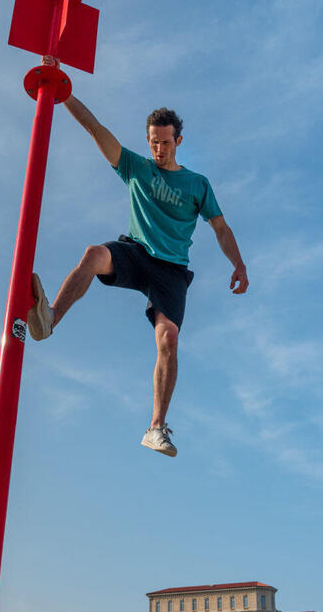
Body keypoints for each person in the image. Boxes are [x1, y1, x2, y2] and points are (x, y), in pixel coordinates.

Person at [28, 57, 249, 457]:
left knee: (169, 338)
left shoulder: (197, 184)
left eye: (165, 142)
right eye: (153, 141)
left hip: (172, 271)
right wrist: (64, 90)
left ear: (178, 141)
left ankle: (156, 428)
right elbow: (97, 129)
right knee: (95, 254)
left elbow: (220, 227)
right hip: (136, 252)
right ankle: (50, 319)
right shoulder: (135, 167)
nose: (158, 148)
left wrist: (238, 263)